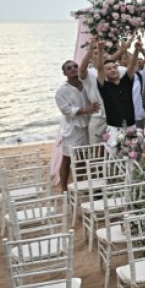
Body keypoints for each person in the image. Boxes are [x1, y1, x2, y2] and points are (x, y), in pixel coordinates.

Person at [55, 60, 100, 191]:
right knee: (67, 159)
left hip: (89, 127)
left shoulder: (87, 83)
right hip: (72, 130)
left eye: (75, 66)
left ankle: (78, 186)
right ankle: (64, 189)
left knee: (83, 159)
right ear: (64, 73)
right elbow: (66, 110)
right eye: (69, 68)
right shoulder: (61, 91)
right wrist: (85, 110)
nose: (73, 69)